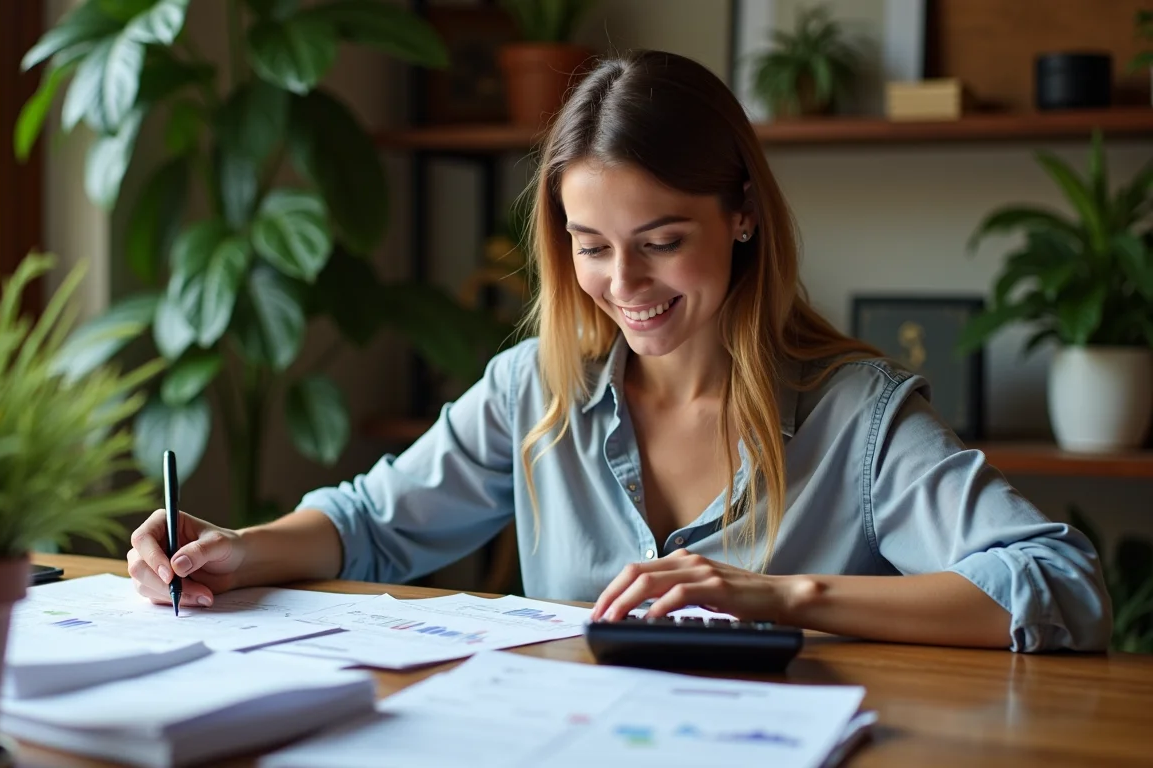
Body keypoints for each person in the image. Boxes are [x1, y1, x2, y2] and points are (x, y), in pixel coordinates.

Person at [127, 50, 1111, 653]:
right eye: (590, 247)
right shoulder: (535, 390)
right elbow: (370, 523)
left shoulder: (857, 414)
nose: (624, 284)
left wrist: (777, 596)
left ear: (740, 215)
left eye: (661, 241)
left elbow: (1057, 580)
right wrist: (238, 550)